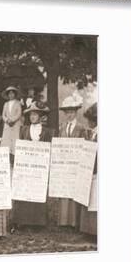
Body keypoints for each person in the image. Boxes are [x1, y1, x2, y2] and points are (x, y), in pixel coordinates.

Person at [11, 101, 53, 229]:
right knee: (24, 191)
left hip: (40, 167)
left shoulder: (47, 132)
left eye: (35, 115)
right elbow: (20, 147)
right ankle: (22, 221)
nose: (32, 117)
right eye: (31, 115)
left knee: (38, 191)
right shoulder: (24, 130)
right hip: (26, 167)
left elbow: (49, 150)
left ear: (40, 116)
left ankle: (38, 222)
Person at [57, 95, 87, 229]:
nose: (69, 115)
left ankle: (74, 221)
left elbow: (85, 146)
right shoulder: (62, 127)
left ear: (76, 113)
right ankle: (64, 221)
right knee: (64, 190)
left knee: (74, 190)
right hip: (64, 164)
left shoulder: (81, 128)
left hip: (76, 164)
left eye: (72, 112)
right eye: (67, 112)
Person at [79, 103, 98, 236]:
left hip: (97, 169)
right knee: (89, 197)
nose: (88, 122)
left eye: (90, 120)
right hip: (90, 169)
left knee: (96, 199)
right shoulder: (92, 133)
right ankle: (89, 229)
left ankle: (95, 230)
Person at [1, 86, 23, 157]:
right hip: (7, 125)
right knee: (6, 140)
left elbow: (19, 114)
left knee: (15, 140)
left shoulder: (18, 103)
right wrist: (7, 120)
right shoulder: (6, 104)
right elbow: (3, 114)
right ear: (7, 95)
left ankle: (14, 156)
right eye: (9, 94)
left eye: (12, 93)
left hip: (15, 124)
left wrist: (13, 120)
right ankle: (6, 156)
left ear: (15, 94)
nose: (11, 95)